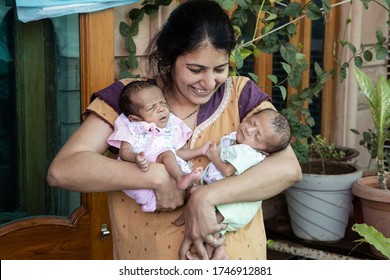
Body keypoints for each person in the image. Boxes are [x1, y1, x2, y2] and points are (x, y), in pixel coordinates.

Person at [47, 0, 302, 260]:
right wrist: (155, 177)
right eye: (195, 69)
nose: (208, 82)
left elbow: (288, 168)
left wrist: (204, 197)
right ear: (170, 58)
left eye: (219, 69)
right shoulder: (131, 98)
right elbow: (63, 169)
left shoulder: (242, 95)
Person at [186, 108, 292, 260]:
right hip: (221, 195)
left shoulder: (247, 152)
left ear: (264, 151)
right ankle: (218, 253)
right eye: (251, 122)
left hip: (234, 205)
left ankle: (203, 256)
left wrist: (214, 156)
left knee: (209, 223)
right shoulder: (234, 140)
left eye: (257, 136)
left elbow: (227, 171)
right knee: (209, 222)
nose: (249, 130)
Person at [107, 80, 205, 212]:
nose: (161, 108)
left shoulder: (169, 126)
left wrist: (201, 150)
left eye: (163, 103)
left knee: (195, 193)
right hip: (144, 171)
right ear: (135, 118)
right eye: (152, 107)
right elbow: (124, 152)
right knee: (167, 155)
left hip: (170, 178)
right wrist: (136, 157)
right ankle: (180, 177)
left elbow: (177, 153)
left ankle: (205, 211)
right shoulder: (132, 127)